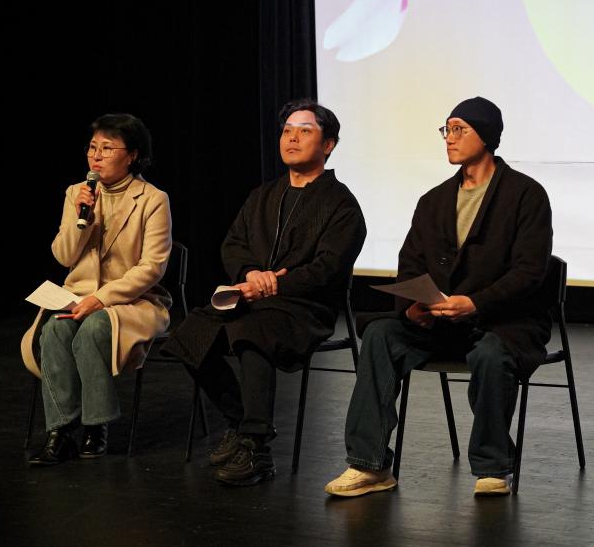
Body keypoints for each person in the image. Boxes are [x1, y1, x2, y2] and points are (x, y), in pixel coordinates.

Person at [326, 96, 553, 498]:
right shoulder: (433, 200)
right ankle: (369, 464)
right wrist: (413, 309)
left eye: (459, 129)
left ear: (486, 135)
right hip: (440, 323)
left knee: (491, 354)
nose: (449, 137)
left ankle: (493, 465)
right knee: (380, 335)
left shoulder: (525, 195)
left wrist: (475, 303)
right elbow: (411, 264)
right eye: (446, 129)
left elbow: (529, 271)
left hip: (501, 321)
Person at [162, 99, 366, 486]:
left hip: (304, 306)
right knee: (190, 335)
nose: (292, 138)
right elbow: (233, 245)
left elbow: (328, 267)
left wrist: (276, 283)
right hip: (251, 297)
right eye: (287, 131)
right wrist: (251, 273)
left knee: (251, 331)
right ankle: (241, 423)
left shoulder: (341, 204)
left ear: (328, 145)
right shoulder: (263, 195)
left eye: (304, 131)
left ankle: (257, 449)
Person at [22, 114, 172, 465]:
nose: (96, 156)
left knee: (93, 328)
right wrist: (83, 221)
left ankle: (96, 426)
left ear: (132, 155)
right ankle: (60, 432)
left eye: (107, 148)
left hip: (133, 302)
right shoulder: (77, 193)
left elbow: (152, 266)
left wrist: (101, 299)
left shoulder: (152, 199)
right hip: (76, 296)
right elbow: (63, 256)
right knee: (54, 331)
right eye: (92, 148)